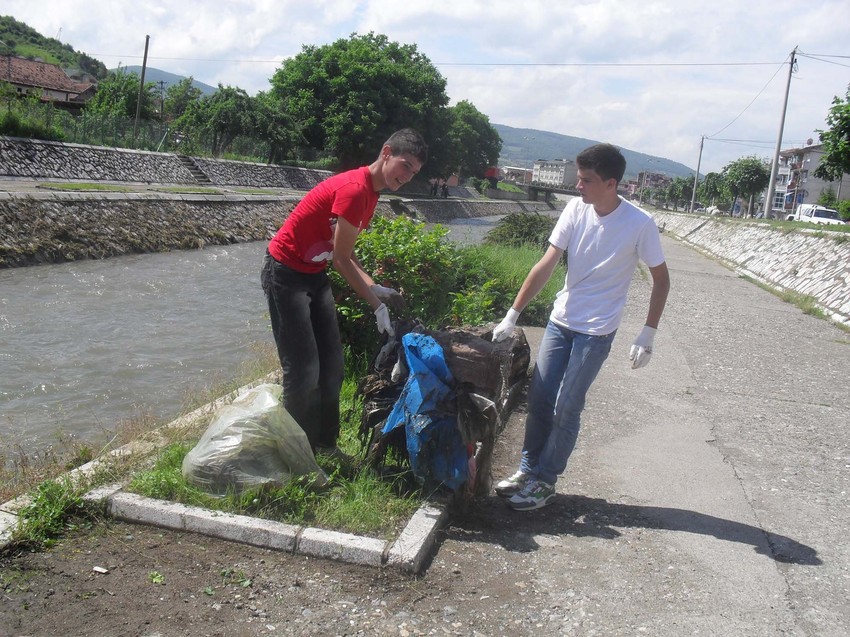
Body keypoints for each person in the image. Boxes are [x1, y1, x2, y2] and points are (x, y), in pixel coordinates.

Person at [492, 143, 670, 511]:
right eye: (579, 178)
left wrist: (648, 333)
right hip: (562, 319)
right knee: (540, 399)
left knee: (567, 407)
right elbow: (547, 262)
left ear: (611, 184)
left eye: (587, 180)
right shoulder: (576, 209)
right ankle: (528, 470)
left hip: (597, 330)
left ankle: (545, 480)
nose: (578, 186)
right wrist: (513, 313)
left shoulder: (639, 224)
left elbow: (661, 280)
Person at [261, 128, 428, 455]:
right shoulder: (354, 190)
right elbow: (340, 261)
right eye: (405, 165)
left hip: (313, 273)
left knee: (332, 368)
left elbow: (345, 253)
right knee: (304, 371)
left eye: (415, 172)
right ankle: (294, 455)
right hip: (286, 273)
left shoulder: (372, 192)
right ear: (386, 153)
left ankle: (324, 445)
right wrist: (376, 305)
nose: (408, 176)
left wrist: (373, 286)